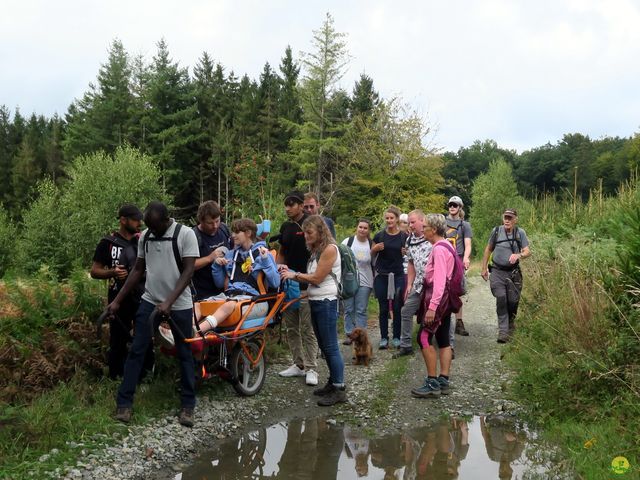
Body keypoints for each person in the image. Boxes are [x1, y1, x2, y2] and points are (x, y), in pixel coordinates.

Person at [109, 201, 199, 427]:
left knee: (185, 352)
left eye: (156, 226)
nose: (152, 231)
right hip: (150, 300)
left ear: (166, 220)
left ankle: (188, 406)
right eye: (148, 226)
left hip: (179, 303)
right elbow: (138, 270)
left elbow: (189, 271)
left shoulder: (185, 234)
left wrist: (169, 301)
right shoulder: (146, 236)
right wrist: (117, 301)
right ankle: (124, 404)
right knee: (136, 350)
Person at [158, 218, 279, 346]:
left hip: (255, 300)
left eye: (237, 232)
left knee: (229, 305)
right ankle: (179, 332)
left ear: (248, 233)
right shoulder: (231, 255)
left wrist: (265, 260)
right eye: (232, 232)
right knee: (199, 305)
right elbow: (220, 284)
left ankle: (194, 332)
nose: (232, 236)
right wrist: (216, 266)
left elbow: (275, 283)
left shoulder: (263, 254)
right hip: (232, 296)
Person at [281, 215, 346, 406]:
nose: (306, 237)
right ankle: (333, 383)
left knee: (331, 347)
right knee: (325, 347)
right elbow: (316, 281)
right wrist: (304, 293)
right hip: (316, 300)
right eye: (305, 233)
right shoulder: (317, 250)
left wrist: (293, 275)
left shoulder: (329, 249)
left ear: (320, 231)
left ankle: (340, 388)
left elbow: (317, 278)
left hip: (327, 302)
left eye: (309, 233)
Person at [90, 204, 154, 380]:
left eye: (140, 219)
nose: (139, 223)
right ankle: (115, 378)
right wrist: (112, 272)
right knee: (118, 340)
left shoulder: (142, 241)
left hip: (142, 296)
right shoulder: (107, 243)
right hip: (118, 298)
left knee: (145, 338)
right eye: (135, 220)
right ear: (123, 220)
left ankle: (146, 377)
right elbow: (94, 271)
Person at [276, 190, 319, 386]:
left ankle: (312, 368)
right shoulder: (286, 226)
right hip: (288, 283)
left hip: (308, 282)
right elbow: (282, 251)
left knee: (307, 328)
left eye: (291, 204)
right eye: (286, 204)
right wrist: (278, 268)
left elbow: (322, 250)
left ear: (301, 205)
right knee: (291, 327)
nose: (287, 208)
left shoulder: (312, 223)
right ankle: (298, 364)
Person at [411, 214, 455, 398]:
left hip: (437, 301)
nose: (423, 229)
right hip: (445, 301)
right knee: (443, 338)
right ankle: (443, 380)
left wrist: (432, 308)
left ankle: (432, 383)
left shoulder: (438, 250)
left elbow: (439, 281)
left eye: (426, 226)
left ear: (434, 230)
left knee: (423, 338)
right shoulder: (448, 246)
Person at [481, 208, 531, 343]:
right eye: (505, 217)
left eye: (510, 218)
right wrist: (484, 267)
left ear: (515, 220)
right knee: (501, 297)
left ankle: (511, 324)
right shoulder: (496, 231)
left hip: (514, 273)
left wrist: (518, 255)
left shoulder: (520, 233)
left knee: (513, 301)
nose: (507, 220)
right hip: (497, 271)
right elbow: (488, 249)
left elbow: (527, 251)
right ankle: (503, 332)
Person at [394, 210, 432, 358]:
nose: (410, 225)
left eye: (413, 222)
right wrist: (409, 284)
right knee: (406, 311)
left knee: (441, 314)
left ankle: (449, 345)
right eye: (409, 222)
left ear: (422, 221)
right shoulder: (409, 240)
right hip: (418, 284)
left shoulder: (432, 237)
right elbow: (410, 262)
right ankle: (406, 346)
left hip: (433, 285)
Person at [371, 206, 408, 349]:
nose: (389, 220)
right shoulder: (379, 235)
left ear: (397, 219)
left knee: (398, 307)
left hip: (398, 275)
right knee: (383, 308)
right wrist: (374, 249)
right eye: (387, 218)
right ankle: (384, 338)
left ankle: (397, 337)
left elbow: (409, 255)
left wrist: (405, 252)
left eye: (391, 218)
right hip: (382, 276)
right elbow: (371, 254)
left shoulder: (403, 236)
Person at [341, 218, 374, 345]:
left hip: (365, 281)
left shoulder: (371, 244)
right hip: (348, 281)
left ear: (368, 230)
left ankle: (361, 336)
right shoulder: (347, 242)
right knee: (349, 309)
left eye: (365, 228)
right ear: (357, 227)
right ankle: (349, 334)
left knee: (361, 310)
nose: (362, 230)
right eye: (360, 227)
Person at [191, 200, 232, 300]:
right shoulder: (193, 236)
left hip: (226, 290)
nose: (215, 226)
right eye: (210, 223)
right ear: (201, 221)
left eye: (217, 221)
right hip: (203, 293)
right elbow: (188, 266)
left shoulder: (224, 229)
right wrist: (210, 258)